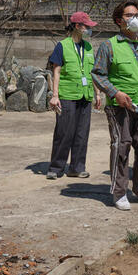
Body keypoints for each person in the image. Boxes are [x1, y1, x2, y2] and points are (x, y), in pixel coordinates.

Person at [91, 1, 138, 211]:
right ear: (119, 20)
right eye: (129, 15)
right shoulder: (110, 45)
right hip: (120, 108)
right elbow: (98, 74)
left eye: (137, 14)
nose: (134, 18)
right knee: (121, 147)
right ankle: (119, 192)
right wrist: (115, 93)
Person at [46, 12, 102, 180]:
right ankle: (56, 168)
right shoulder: (62, 46)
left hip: (85, 96)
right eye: (87, 27)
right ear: (77, 26)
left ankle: (77, 167)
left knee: (81, 133)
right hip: (68, 95)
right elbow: (56, 70)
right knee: (64, 132)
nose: (90, 30)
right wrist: (55, 95)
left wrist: (97, 94)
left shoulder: (89, 47)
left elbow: (93, 72)